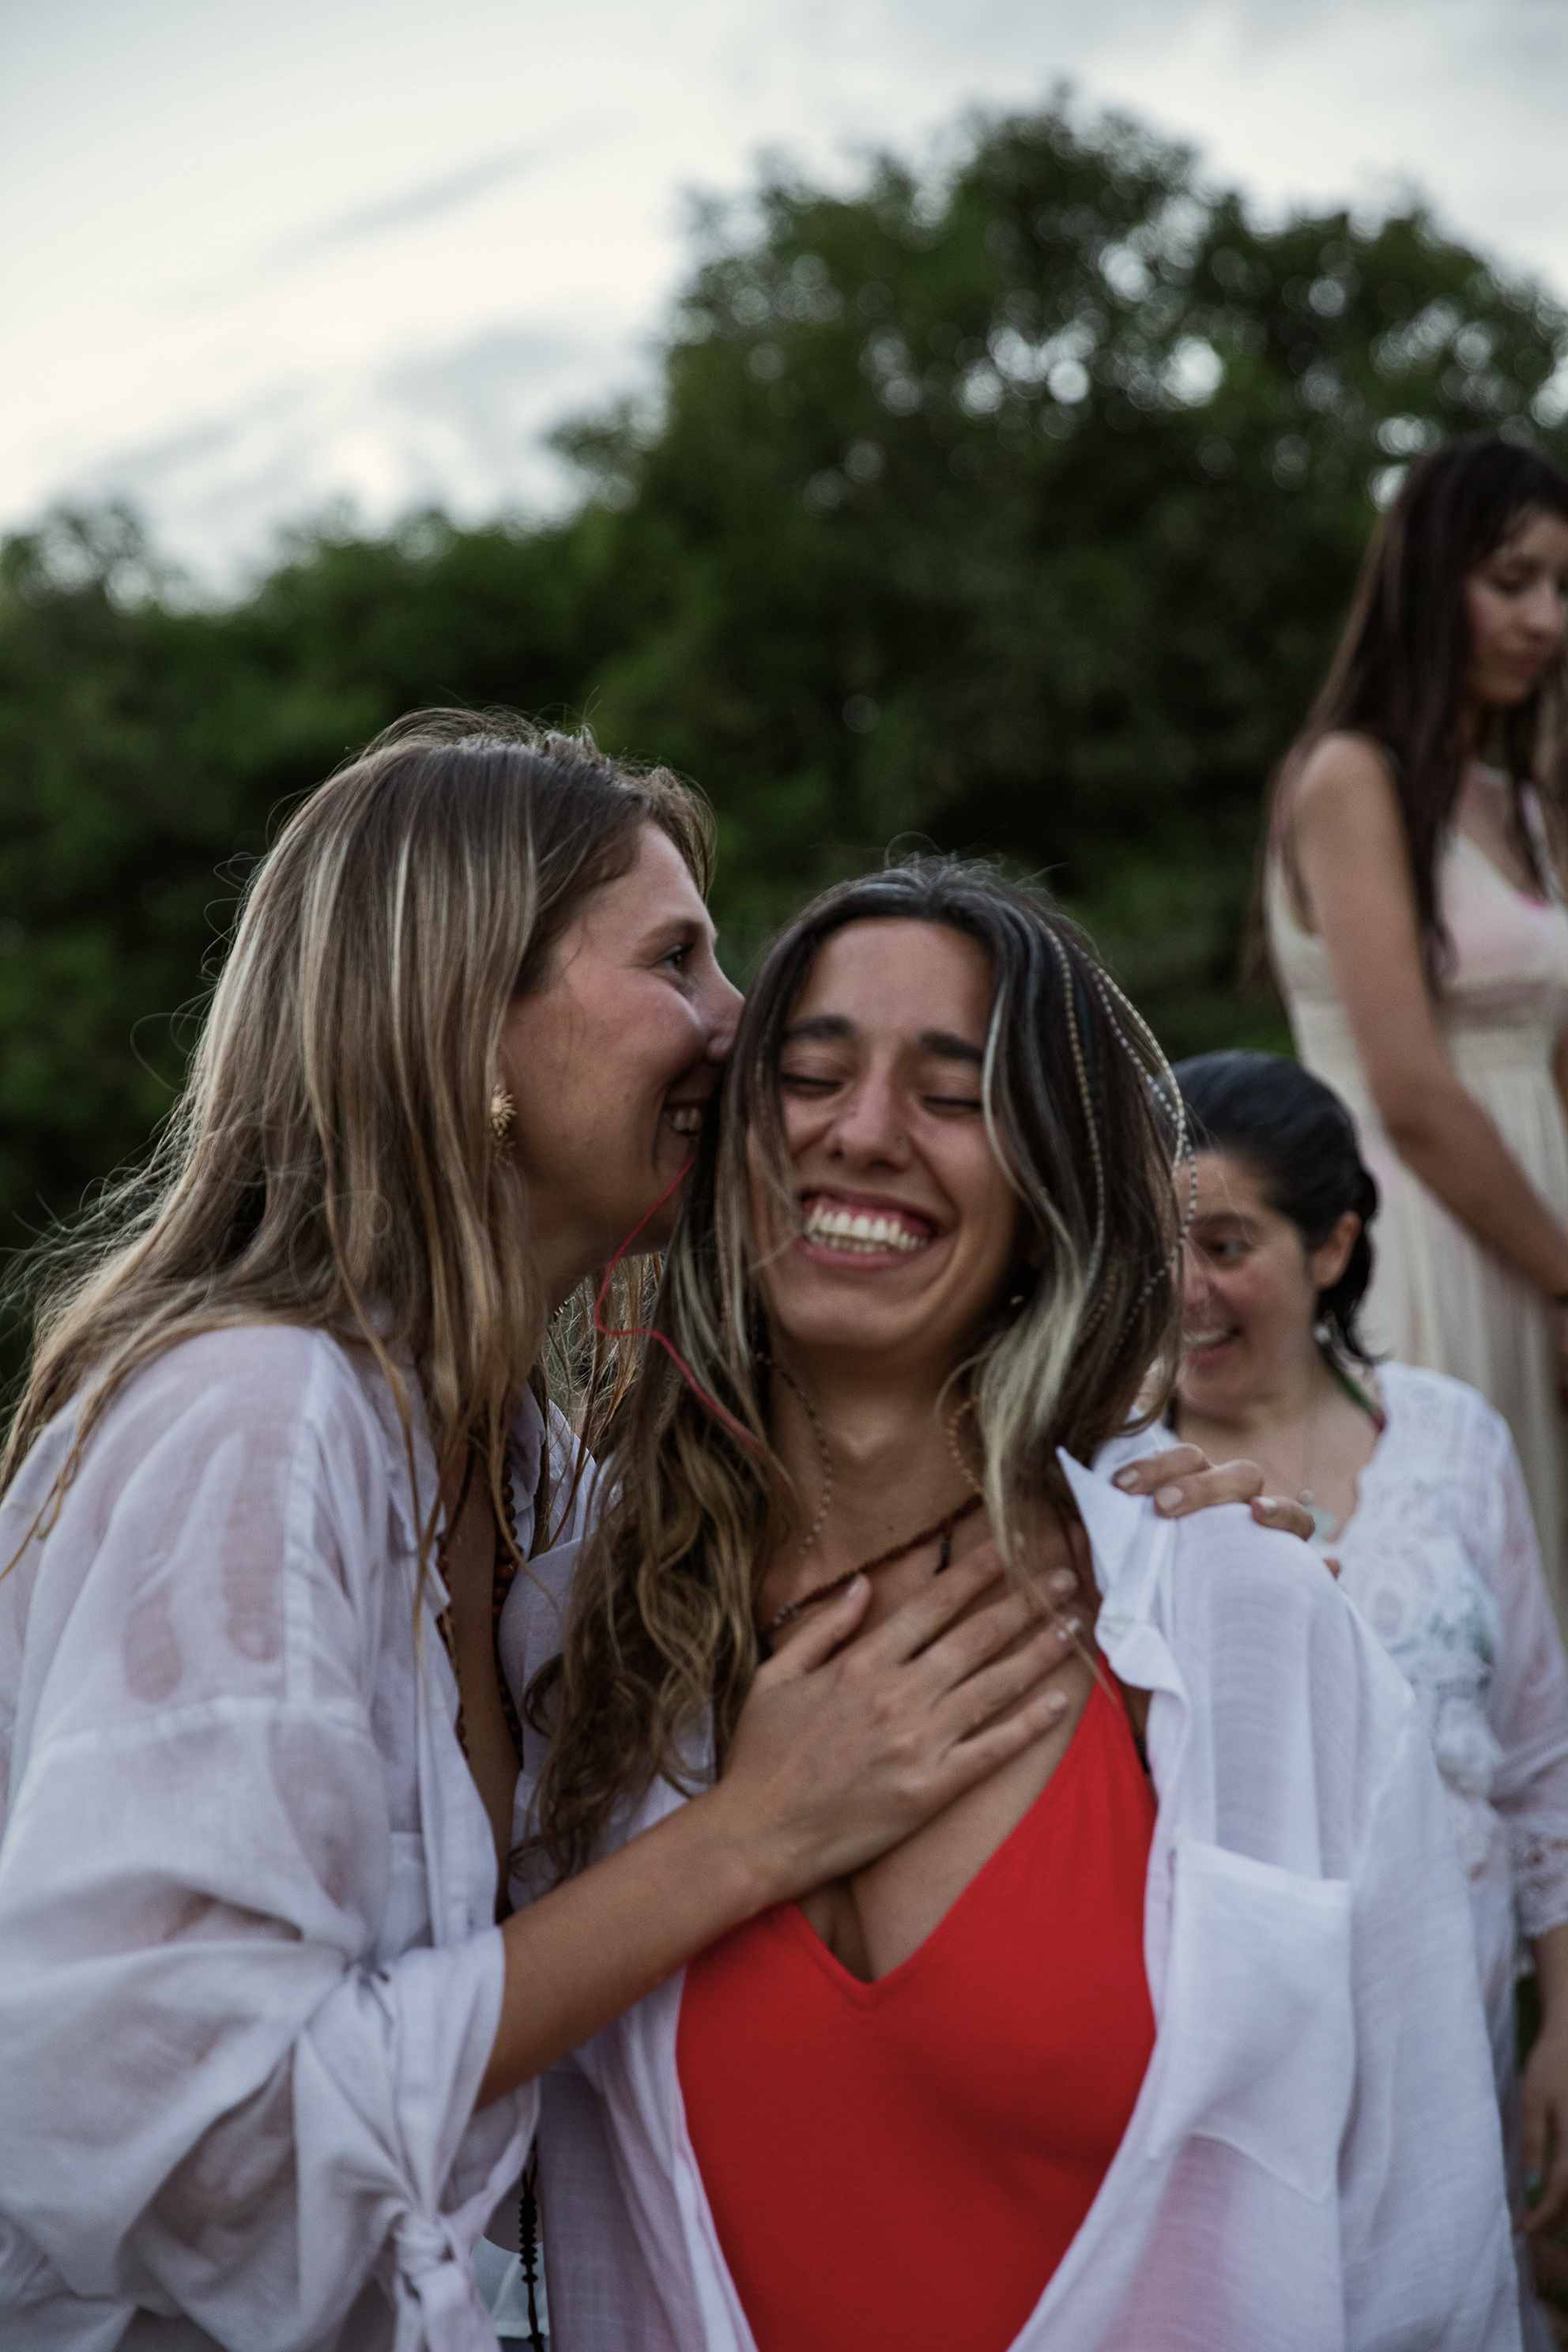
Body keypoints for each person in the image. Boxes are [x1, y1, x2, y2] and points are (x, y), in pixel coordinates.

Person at [0, 712, 1267, 2350]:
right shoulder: (255, 1418)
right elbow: (162, 2137)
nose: (734, 1028)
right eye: (676, 960)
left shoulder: (531, 1485)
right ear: (464, 1022)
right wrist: (746, 1838)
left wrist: (1142, 1497)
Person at [511, 859, 1517, 2352]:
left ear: (1055, 1191)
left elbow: (1424, 2251)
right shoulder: (577, 1633)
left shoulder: (1241, 1627)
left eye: (952, 1094)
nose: (860, 1134)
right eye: (807, 1073)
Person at [1125, 1046, 1568, 2350]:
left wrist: (1562, 2032)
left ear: (1334, 1247)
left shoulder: (1454, 1441)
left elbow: (1543, 1760)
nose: (1185, 1291)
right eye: (1160, 1245)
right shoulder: (1110, 1478)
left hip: (1458, 2051)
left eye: (1226, 1243)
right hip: (1221, 2080)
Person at [1263, 434, 1568, 1634]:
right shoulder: (1347, 778)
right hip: (1425, 1231)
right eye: (1513, 580)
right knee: (1444, 1612)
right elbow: (1409, 1086)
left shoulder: (1527, 809)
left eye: (1563, 588)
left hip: (1537, 1221)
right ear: (1432, 580)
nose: (1545, 617)